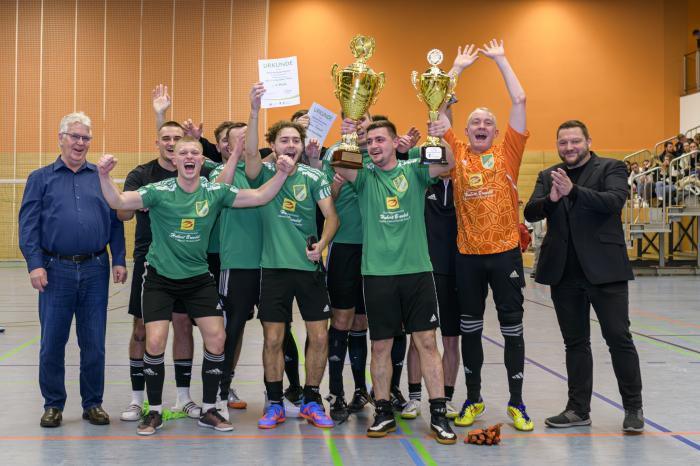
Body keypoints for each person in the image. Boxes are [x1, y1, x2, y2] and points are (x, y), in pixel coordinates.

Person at [96, 136, 294, 435]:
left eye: (195, 153)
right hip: (160, 278)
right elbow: (119, 202)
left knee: (217, 338)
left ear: (202, 161)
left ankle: (209, 409)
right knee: (154, 341)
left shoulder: (214, 191)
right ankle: (154, 411)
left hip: (198, 278)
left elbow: (259, 196)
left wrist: (281, 173)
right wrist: (104, 176)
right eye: (183, 153)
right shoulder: (159, 191)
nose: (189, 157)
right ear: (175, 159)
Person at [334, 119, 457, 444]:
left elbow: (448, 162)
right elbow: (339, 163)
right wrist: (350, 133)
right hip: (378, 275)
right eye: (371, 141)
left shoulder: (414, 170)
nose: (374, 146)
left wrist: (440, 135)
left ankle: (438, 414)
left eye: (380, 140)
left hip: (417, 272)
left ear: (394, 142)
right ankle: (383, 411)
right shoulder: (364, 177)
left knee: (427, 342)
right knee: (380, 346)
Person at [524, 119, 644, 433]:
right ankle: (578, 409)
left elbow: (613, 202)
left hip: (605, 270)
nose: (569, 147)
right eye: (563, 142)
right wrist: (551, 199)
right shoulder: (548, 174)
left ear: (588, 142)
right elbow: (530, 211)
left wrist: (574, 191)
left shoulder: (611, 168)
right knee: (575, 343)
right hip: (564, 272)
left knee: (618, 338)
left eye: (575, 141)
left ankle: (633, 408)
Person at [441, 40, 533, 431]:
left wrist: (501, 60)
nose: (481, 126)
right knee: (470, 329)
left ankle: (517, 402)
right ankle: (473, 398)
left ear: (496, 131)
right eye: (475, 122)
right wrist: (455, 70)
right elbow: (436, 105)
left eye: (487, 123)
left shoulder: (508, 152)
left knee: (512, 328)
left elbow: (520, 98)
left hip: (505, 253)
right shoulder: (456, 152)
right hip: (467, 256)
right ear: (465, 130)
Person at [18, 112, 127, 428]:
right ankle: (53, 404)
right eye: (75, 136)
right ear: (61, 139)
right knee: (52, 342)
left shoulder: (101, 177)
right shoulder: (40, 178)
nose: (80, 143)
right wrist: (35, 264)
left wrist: (119, 258)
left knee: (94, 342)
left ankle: (93, 404)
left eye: (85, 138)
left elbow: (115, 221)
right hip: (55, 270)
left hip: (96, 268)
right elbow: (28, 227)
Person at [244, 83, 339, 430]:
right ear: (273, 145)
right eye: (284, 140)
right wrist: (254, 110)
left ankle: (312, 399)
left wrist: (322, 243)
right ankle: (274, 402)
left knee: (320, 336)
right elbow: (249, 155)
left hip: (308, 269)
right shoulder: (264, 172)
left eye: (296, 140)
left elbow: (332, 216)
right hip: (273, 270)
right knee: (273, 338)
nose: (291, 145)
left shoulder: (314, 176)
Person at [118, 120, 203, 422]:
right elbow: (122, 213)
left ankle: (184, 398)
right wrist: (138, 202)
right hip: (150, 261)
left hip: (187, 261)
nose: (170, 142)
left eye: (176, 138)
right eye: (165, 137)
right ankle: (137, 400)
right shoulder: (142, 175)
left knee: (182, 326)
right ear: (157, 142)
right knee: (142, 330)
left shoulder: (196, 172)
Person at [208, 122, 259, 415]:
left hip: (270, 261)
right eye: (237, 140)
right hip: (237, 262)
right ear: (226, 145)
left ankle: (285, 393)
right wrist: (236, 154)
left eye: (247, 138)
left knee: (279, 328)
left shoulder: (263, 169)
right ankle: (220, 390)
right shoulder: (220, 171)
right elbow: (218, 191)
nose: (243, 142)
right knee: (231, 327)